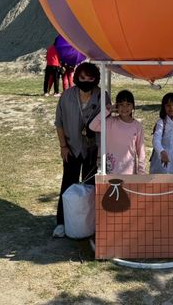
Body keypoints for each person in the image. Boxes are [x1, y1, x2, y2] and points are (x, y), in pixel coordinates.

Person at [53, 61, 111, 238]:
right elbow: (59, 123)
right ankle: (62, 222)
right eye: (82, 77)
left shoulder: (102, 96)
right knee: (68, 183)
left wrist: (102, 152)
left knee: (91, 186)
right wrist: (63, 146)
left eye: (90, 78)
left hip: (93, 150)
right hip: (71, 148)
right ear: (77, 77)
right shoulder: (66, 96)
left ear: (96, 79)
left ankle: (90, 223)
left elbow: (107, 123)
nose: (85, 81)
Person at [89, 89, 146, 175]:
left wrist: (141, 172)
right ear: (116, 106)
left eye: (128, 104)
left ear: (133, 106)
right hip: (110, 172)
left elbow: (141, 150)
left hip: (129, 172)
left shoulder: (137, 126)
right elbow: (92, 126)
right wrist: (108, 109)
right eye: (121, 104)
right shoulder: (110, 122)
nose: (124, 108)